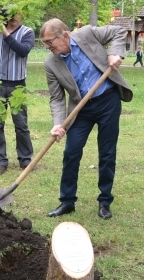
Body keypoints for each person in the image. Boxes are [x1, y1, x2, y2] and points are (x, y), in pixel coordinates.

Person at [41, 19, 133, 219]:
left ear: (64, 35)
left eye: (50, 42)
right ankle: (67, 202)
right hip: (80, 109)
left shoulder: (87, 34)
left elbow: (118, 31)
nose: (48, 47)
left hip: (108, 100)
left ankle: (105, 201)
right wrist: (58, 123)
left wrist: (114, 53)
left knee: (107, 153)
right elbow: (56, 97)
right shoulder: (51, 63)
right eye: (45, 43)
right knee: (71, 152)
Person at [0, 7, 34, 175]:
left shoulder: (27, 32)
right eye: (9, 16)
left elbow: (23, 51)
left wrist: (5, 33)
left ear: (22, 14)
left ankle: (25, 160)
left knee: (21, 124)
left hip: (17, 84)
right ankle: (0, 162)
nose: (13, 19)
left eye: (16, 15)